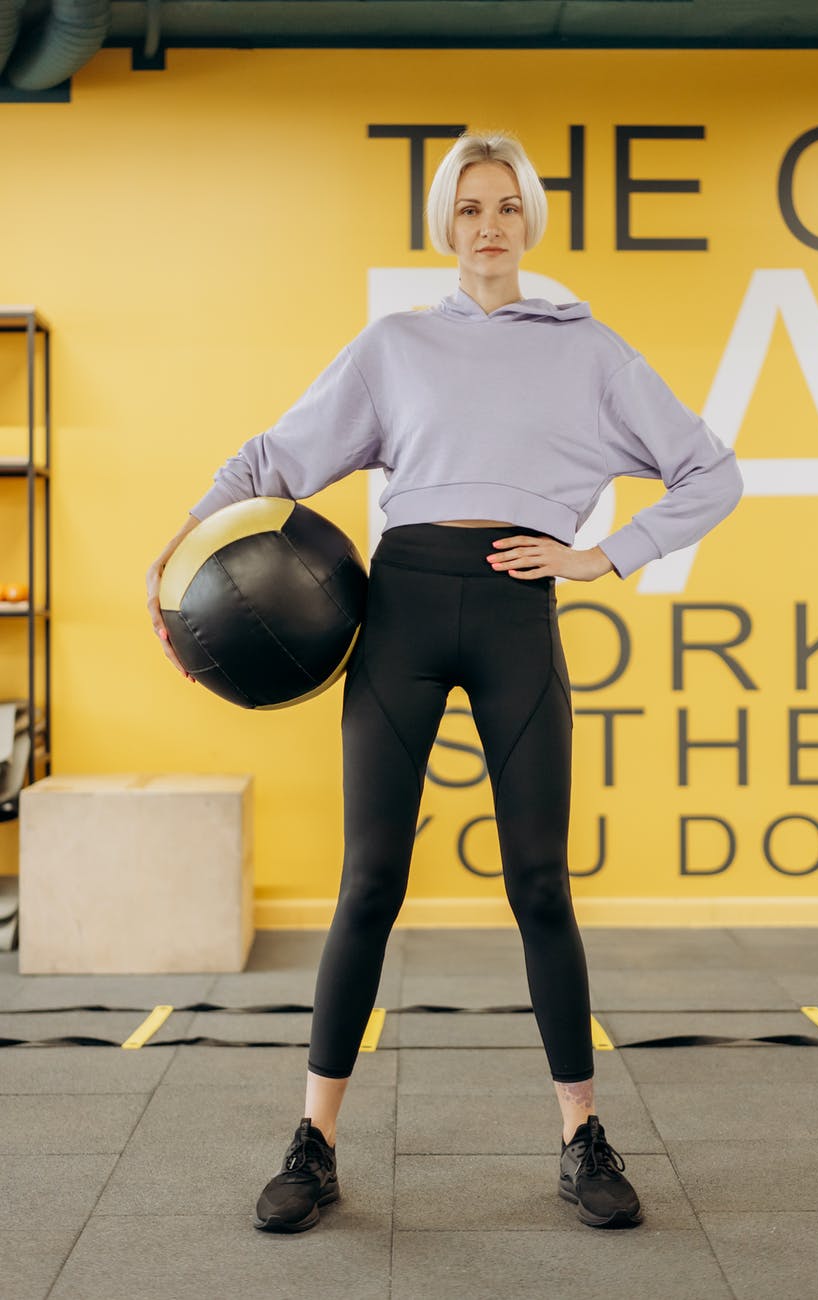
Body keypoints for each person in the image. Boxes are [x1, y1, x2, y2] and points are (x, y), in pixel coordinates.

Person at [145, 129, 743, 1234]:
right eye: (468, 207)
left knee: (540, 884)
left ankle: (581, 1136)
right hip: (404, 603)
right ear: (445, 225)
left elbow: (715, 470)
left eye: (506, 204)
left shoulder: (590, 349)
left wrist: (605, 552)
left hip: (518, 607)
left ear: (531, 221)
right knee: (370, 881)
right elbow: (275, 457)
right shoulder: (396, 345)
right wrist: (179, 550)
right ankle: (314, 1142)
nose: (488, 225)